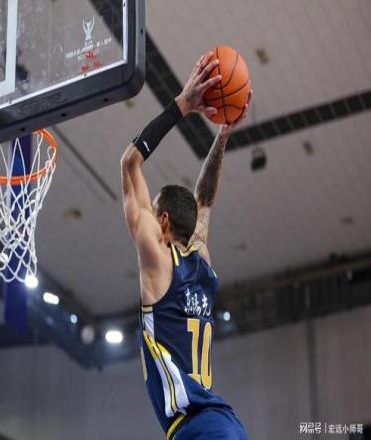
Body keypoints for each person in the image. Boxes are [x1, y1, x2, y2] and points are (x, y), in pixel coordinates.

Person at [120, 52, 251, 439]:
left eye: (152, 207)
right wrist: (222, 135)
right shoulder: (201, 261)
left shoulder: (158, 262)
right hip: (220, 424)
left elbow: (130, 163)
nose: (146, 212)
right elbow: (205, 201)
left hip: (199, 428)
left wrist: (183, 104)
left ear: (162, 223)